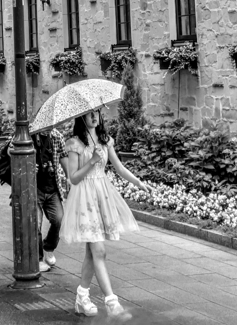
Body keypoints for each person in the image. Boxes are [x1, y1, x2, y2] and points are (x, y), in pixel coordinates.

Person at [61, 109, 150, 318]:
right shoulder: (75, 144)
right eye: (90, 114)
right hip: (84, 199)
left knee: (92, 252)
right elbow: (73, 178)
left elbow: (118, 167)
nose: (95, 117)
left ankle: (82, 297)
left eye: (97, 113)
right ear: (81, 117)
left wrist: (138, 182)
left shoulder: (104, 140)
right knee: (99, 251)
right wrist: (91, 161)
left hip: (102, 196)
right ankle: (112, 302)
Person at [34, 128, 70, 273]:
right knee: (35, 224)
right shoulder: (29, 136)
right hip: (34, 188)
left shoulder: (56, 136)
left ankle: (48, 247)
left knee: (58, 219)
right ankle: (37, 259)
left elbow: (63, 156)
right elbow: (10, 150)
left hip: (52, 187)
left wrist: (68, 176)